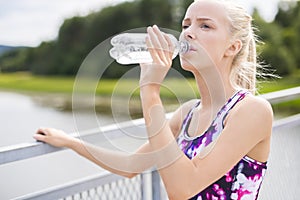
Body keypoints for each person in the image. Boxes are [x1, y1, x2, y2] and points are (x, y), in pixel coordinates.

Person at [34, 0, 273, 199]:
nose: (188, 32)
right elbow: (130, 166)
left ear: (232, 47)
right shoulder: (188, 113)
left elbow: (184, 188)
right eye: (186, 24)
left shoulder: (252, 111)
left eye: (205, 26)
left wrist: (150, 92)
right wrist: (70, 141)